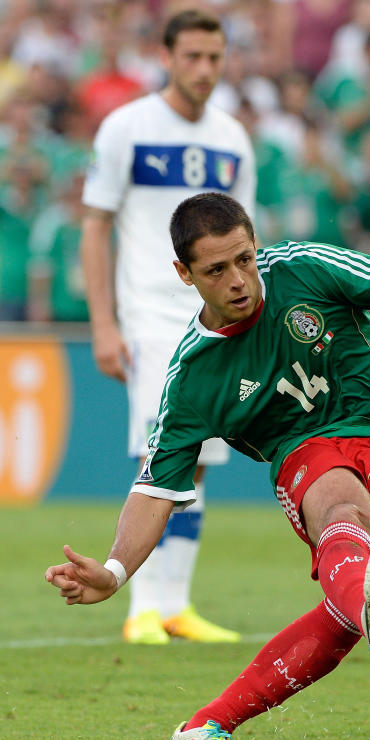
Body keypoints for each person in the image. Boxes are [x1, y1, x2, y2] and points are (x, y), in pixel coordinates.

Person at [46, 192, 370, 740]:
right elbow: (155, 487)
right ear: (184, 274)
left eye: (245, 259)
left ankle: (205, 727)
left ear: (256, 244)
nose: (239, 280)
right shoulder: (194, 377)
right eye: (216, 270)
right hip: (306, 452)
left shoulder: (306, 266)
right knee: (341, 511)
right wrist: (115, 571)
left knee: (368, 601)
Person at [81, 9, 256, 644]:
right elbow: (95, 224)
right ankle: (140, 607)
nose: (206, 70)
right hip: (152, 315)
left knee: (202, 457)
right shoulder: (127, 128)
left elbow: (246, 242)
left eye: (215, 57)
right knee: (163, 450)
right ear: (167, 57)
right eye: (193, 57)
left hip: (212, 318)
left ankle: (175, 604)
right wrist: (104, 322)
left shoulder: (233, 138)